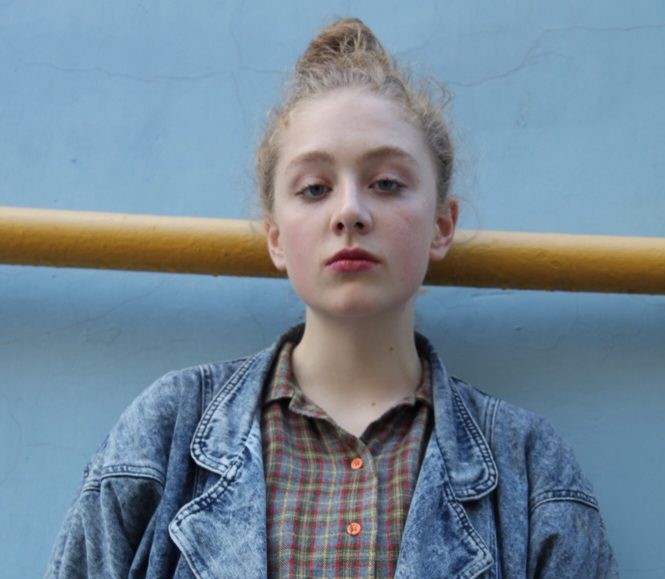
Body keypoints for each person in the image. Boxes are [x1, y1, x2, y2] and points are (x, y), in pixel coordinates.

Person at [46, 17, 618, 579]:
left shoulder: (530, 467)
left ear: (442, 225)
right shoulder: (165, 430)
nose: (349, 212)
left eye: (386, 183)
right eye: (314, 188)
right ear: (275, 236)